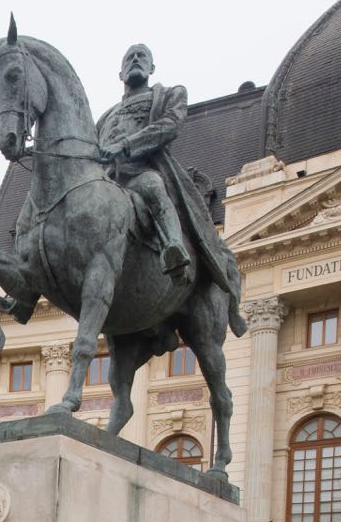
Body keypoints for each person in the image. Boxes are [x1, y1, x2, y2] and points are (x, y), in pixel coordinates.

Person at [96, 43, 243, 326]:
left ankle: (174, 248)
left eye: (142, 57)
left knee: (153, 186)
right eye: (130, 57)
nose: (135, 60)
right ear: (120, 72)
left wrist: (126, 146)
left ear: (151, 69)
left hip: (141, 170)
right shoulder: (106, 116)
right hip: (106, 180)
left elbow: (169, 126)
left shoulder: (169, 95)